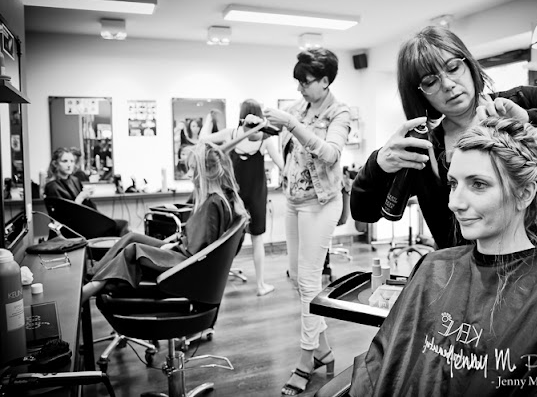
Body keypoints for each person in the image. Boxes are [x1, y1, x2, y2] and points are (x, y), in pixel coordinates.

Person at [350, 26, 537, 340]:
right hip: (491, 298)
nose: (449, 85)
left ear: (469, 64)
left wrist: (529, 120)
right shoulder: (424, 151)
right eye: (431, 81)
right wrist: (377, 165)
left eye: (453, 68)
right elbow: (363, 212)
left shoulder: (520, 102)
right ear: (420, 93)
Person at [350, 118, 537, 396]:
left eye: (477, 184)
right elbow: (380, 369)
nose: (455, 203)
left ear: (524, 193)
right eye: (453, 184)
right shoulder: (432, 267)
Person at [262, 48, 351, 396]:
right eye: (297, 81)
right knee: (299, 279)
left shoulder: (339, 112)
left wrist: (291, 124)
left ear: (326, 80)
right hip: (295, 201)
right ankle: (325, 349)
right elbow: (286, 144)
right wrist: (264, 129)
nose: (300, 87)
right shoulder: (300, 108)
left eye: (306, 81)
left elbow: (330, 153)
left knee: (311, 281)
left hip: (322, 203)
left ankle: (306, 358)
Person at [82, 141, 248, 303]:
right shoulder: (224, 198)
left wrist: (173, 247)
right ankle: (92, 276)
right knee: (131, 237)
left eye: (192, 169)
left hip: (185, 265)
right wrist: (173, 243)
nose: (189, 174)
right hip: (184, 254)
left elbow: (197, 251)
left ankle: (92, 287)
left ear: (208, 171)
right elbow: (200, 241)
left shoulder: (212, 204)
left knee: (132, 250)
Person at [201, 98, 284, 296]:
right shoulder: (265, 140)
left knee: (226, 240)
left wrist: (207, 122)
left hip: (234, 197)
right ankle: (261, 285)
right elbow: (283, 166)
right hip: (256, 195)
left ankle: (215, 285)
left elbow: (203, 141)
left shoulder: (232, 135)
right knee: (257, 240)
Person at [45, 147, 129, 235]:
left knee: (121, 225)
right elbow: (65, 218)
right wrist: (81, 197)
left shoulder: (74, 180)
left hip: (84, 221)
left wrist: (86, 196)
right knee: (118, 226)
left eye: (72, 161)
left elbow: (86, 206)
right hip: (72, 228)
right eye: (65, 161)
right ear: (55, 163)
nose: (69, 165)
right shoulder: (52, 187)